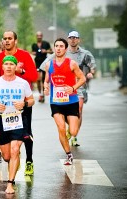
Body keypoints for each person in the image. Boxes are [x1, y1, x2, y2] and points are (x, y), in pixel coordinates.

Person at [0, 55, 35, 194]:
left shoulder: (22, 83)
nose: (9, 66)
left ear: (16, 67)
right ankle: (13, 162)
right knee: (6, 156)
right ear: (3, 67)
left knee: (15, 150)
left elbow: (31, 100)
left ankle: (10, 183)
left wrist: (24, 103)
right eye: (7, 64)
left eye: (12, 64)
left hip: (18, 119)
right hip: (1, 120)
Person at [40, 30, 96, 146]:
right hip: (60, 89)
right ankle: (71, 128)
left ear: (78, 39)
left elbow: (92, 65)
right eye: (71, 38)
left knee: (79, 109)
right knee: (65, 115)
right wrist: (45, 85)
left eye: (75, 38)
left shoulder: (84, 53)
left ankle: (74, 135)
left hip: (77, 86)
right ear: (68, 39)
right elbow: (45, 67)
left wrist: (91, 72)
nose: (73, 40)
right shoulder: (59, 51)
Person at [0, 31, 38, 176]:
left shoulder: (24, 55)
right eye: (5, 39)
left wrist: (21, 70)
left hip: (22, 104)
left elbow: (34, 76)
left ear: (15, 41)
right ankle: (13, 160)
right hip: (5, 106)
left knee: (25, 134)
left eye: (10, 38)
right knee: (8, 140)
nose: (7, 41)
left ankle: (29, 161)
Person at [43, 37, 86, 165]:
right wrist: (45, 87)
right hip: (56, 102)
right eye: (56, 46)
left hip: (71, 101)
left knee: (73, 131)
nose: (58, 48)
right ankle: (69, 154)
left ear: (66, 49)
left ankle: (70, 128)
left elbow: (82, 78)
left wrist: (73, 88)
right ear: (54, 48)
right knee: (60, 128)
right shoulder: (49, 64)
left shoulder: (72, 63)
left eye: (61, 46)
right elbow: (46, 80)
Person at [31, 31, 52, 103]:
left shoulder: (46, 43)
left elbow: (51, 51)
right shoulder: (34, 45)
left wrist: (45, 51)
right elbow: (32, 52)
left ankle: (42, 95)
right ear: (36, 36)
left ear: (42, 36)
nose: (39, 37)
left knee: (44, 80)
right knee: (38, 79)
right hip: (37, 62)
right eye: (38, 35)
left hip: (44, 62)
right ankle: (40, 93)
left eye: (40, 35)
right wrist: (34, 52)